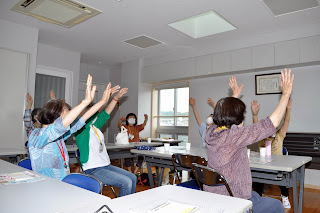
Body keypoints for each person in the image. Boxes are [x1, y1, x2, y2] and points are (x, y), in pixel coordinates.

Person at [205, 69, 294, 213]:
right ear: (238, 119)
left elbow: (221, 116)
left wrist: (233, 97)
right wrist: (285, 94)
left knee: (256, 195)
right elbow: (272, 124)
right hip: (234, 199)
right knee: (277, 206)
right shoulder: (234, 136)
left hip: (216, 195)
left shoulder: (211, 132)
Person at [28, 75, 100, 180]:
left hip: (62, 183)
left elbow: (80, 121)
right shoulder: (36, 136)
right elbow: (57, 127)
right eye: (66, 115)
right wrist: (85, 102)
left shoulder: (58, 136)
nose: (69, 119)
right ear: (54, 116)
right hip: (46, 187)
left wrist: (102, 101)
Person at [75, 85, 137, 197]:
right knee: (126, 183)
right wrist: (104, 98)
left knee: (132, 177)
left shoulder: (95, 126)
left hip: (105, 165)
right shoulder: (81, 129)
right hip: (92, 169)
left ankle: (128, 206)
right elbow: (93, 112)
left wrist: (116, 97)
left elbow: (107, 112)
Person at [251, 99, 293, 209]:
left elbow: (286, 122)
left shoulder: (279, 135)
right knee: (256, 175)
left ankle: (284, 196)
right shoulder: (261, 137)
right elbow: (256, 126)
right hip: (263, 165)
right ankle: (258, 198)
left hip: (277, 166)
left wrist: (288, 109)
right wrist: (255, 114)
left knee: (283, 177)